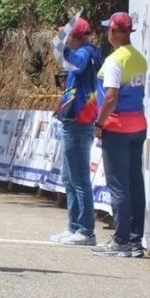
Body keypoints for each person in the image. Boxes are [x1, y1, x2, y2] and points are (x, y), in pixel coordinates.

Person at [92, 12, 148, 258]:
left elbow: (111, 97)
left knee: (119, 185)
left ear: (114, 32)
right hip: (138, 125)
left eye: (108, 29)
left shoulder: (115, 60)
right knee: (135, 182)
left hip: (117, 126)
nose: (107, 33)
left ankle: (121, 240)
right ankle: (135, 240)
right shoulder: (139, 58)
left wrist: (99, 123)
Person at [51, 18, 102, 247]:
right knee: (69, 179)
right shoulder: (83, 52)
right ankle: (73, 227)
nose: (64, 39)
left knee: (79, 179)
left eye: (66, 35)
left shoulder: (85, 53)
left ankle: (86, 230)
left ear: (76, 36)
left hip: (80, 122)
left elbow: (78, 63)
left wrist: (62, 47)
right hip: (71, 120)